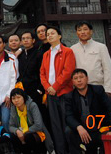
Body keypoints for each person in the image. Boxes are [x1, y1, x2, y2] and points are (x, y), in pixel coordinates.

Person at [64, 69, 111, 154]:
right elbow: (69, 116)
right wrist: (79, 127)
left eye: (81, 77)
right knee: (69, 131)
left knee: (109, 140)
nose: (79, 80)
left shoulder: (98, 90)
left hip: (100, 129)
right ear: (73, 82)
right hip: (84, 132)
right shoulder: (69, 96)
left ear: (87, 79)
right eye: (76, 78)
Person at [39, 25, 75, 154]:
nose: (49, 36)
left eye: (52, 33)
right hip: (50, 94)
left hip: (64, 93)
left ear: (59, 36)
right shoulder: (46, 54)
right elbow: (42, 74)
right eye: (48, 34)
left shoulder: (67, 51)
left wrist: (55, 87)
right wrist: (48, 88)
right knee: (55, 126)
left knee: (67, 124)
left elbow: (68, 72)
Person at [70, 22, 111, 95]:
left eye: (85, 29)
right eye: (79, 30)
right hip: (79, 89)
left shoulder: (101, 47)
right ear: (76, 33)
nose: (82, 32)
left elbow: (108, 69)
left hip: (97, 86)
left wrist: (108, 89)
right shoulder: (72, 49)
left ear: (91, 31)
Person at [8, 88, 53, 154]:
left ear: (24, 97)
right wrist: (17, 131)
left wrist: (24, 132)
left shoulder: (32, 105)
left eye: (18, 97)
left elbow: (38, 125)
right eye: (13, 98)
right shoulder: (13, 108)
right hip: (22, 132)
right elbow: (11, 126)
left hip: (36, 133)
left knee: (28, 137)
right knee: (13, 136)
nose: (16, 100)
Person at [0, 36, 18, 128]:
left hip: (6, 95)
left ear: (4, 44)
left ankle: (6, 137)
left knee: (6, 121)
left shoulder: (11, 58)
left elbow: (14, 78)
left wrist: (9, 95)